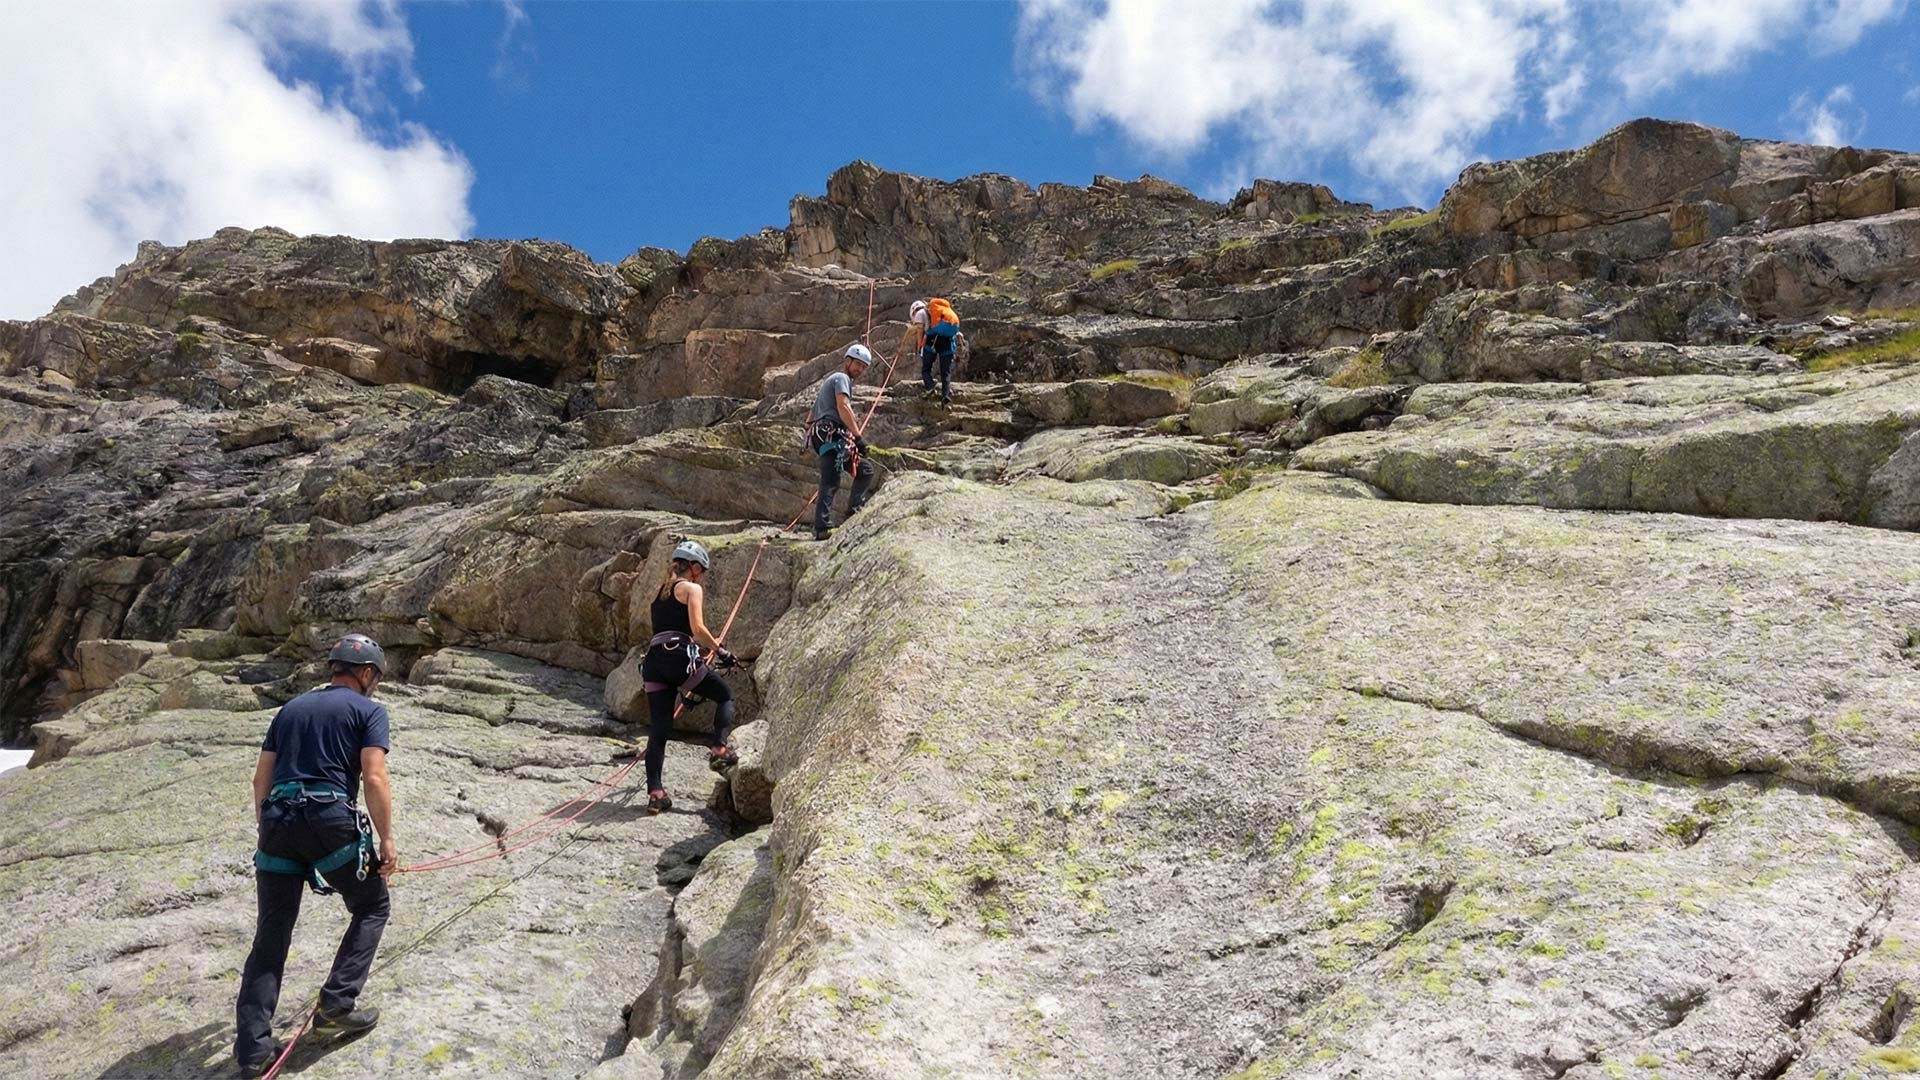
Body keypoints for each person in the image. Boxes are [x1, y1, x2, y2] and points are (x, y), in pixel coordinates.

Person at [234, 634, 396, 1078]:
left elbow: (259, 779)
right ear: (365, 674)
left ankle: (252, 1050)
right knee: (372, 905)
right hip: (328, 818)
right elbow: (374, 776)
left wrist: (268, 830)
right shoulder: (368, 711)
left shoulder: (289, 710)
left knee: (271, 936)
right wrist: (386, 840)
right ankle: (336, 1006)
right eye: (375, 678)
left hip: (278, 819)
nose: (375, 686)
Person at [640, 540, 738, 813]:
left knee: (659, 729)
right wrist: (721, 650)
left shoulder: (660, 592)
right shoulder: (692, 588)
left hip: (654, 662)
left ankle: (655, 793)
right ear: (694, 567)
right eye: (702, 570)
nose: (702, 576)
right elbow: (697, 629)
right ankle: (719, 749)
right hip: (678, 658)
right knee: (724, 695)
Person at [807, 344, 875, 541]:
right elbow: (843, 406)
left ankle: (854, 511)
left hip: (826, 435)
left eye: (864, 367)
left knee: (865, 470)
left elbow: (810, 416)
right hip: (831, 435)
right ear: (847, 361)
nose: (860, 370)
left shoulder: (831, 382)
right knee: (830, 480)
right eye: (858, 365)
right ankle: (822, 527)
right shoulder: (841, 378)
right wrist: (858, 437)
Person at [906, 297, 962, 406]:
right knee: (945, 372)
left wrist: (919, 346)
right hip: (947, 341)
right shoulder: (939, 312)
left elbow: (920, 330)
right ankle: (945, 395)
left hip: (932, 340)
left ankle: (930, 387)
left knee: (926, 369)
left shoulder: (920, 313)